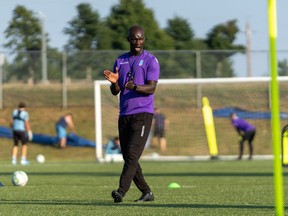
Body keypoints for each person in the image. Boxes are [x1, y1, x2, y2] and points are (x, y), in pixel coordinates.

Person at [104, 25, 160, 203]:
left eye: (141, 38)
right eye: (134, 38)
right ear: (129, 39)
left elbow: (151, 88)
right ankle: (147, 192)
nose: (138, 42)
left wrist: (135, 86)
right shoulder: (120, 61)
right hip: (124, 114)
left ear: (144, 40)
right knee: (128, 156)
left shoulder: (151, 60)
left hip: (142, 114)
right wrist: (114, 83)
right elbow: (116, 91)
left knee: (132, 156)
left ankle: (121, 191)